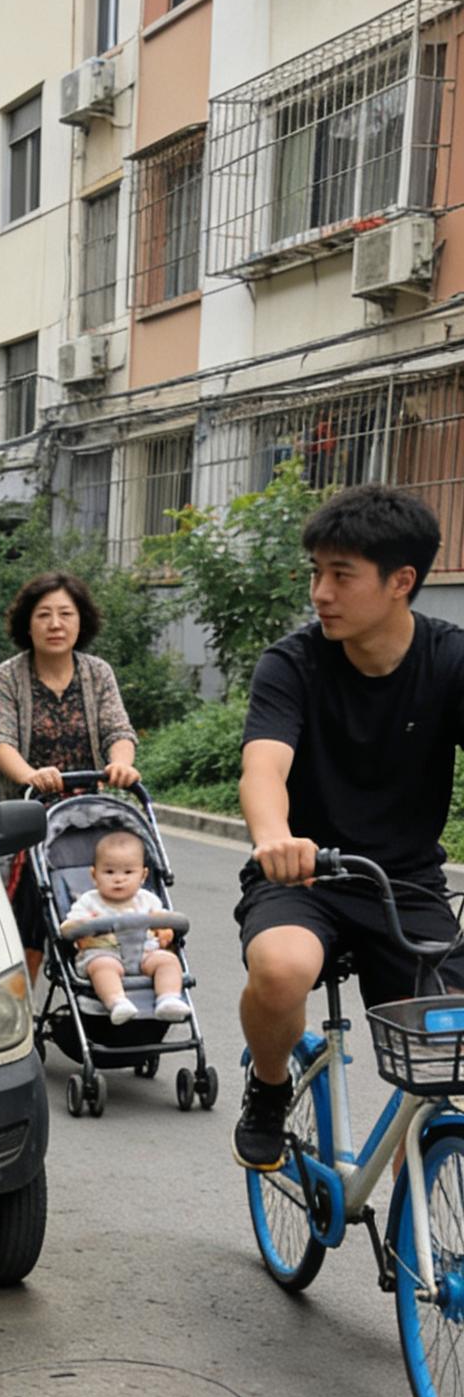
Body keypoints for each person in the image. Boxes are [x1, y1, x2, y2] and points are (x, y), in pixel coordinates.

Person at [234, 481, 464, 1171]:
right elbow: (264, 769)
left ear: (402, 581)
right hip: (303, 871)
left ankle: (414, 1238)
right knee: (281, 969)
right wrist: (273, 836)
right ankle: (270, 1087)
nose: (320, 593)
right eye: (316, 573)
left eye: (341, 575)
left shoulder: (451, 661)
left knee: (441, 1050)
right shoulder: (293, 662)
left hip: (406, 882)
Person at [0, 569, 138, 977]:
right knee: (32, 905)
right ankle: (22, 1005)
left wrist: (121, 762)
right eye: (44, 615)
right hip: (26, 815)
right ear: (26, 624)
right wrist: (32, 774)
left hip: (85, 813)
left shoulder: (97, 673)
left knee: (115, 889)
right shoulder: (6, 677)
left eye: (65, 614)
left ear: (80, 620)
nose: (55, 624)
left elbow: (118, 731)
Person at [63, 827, 189, 1026]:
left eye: (128, 872)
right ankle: (117, 1001)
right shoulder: (89, 901)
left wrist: (165, 930)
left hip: (145, 954)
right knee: (102, 967)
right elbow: (68, 928)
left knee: (169, 961)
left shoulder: (148, 901)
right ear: (94, 875)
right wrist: (83, 925)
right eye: (109, 871)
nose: (119, 878)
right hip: (104, 953)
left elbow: (163, 924)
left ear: (143, 875)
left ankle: (169, 999)